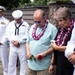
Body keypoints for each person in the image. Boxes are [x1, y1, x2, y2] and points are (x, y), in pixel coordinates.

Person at [26, 9, 57, 75]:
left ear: (45, 18)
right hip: (31, 64)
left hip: (44, 66)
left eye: (39, 22)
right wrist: (28, 52)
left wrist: (44, 54)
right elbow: (28, 41)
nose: (36, 24)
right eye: (35, 22)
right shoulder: (32, 27)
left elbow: (55, 47)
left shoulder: (52, 29)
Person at [0, 10, 30, 75]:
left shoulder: (26, 25)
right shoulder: (10, 24)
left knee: (23, 62)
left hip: (22, 46)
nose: (17, 21)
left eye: (18, 19)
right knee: (11, 63)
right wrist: (13, 41)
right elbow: (7, 34)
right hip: (13, 46)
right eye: (15, 19)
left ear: (21, 17)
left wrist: (19, 42)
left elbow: (27, 35)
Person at [49, 7, 74, 75]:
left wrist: (57, 48)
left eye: (61, 20)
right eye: (58, 21)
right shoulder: (61, 30)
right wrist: (52, 63)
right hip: (60, 64)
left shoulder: (73, 30)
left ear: (68, 18)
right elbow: (55, 44)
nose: (59, 23)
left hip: (69, 65)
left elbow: (73, 47)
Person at [0, 6, 9, 75]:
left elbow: (7, 33)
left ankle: (6, 72)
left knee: (4, 60)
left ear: (2, 12)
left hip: (2, 44)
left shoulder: (6, 21)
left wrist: (1, 42)